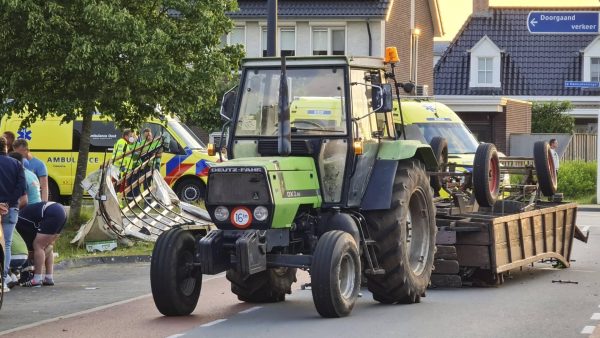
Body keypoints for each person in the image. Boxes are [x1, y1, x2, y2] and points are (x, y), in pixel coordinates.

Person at [15, 201, 67, 287]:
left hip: (52, 211)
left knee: (38, 246)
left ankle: (37, 278)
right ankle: (49, 277)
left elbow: (29, 251)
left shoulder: (18, 222)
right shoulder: (22, 216)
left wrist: (28, 260)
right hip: (60, 210)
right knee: (47, 245)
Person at [0, 136, 27, 292]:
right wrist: (8, 203)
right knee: (7, 244)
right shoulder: (16, 164)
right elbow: (21, 187)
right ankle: (3, 280)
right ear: (6, 148)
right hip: (11, 209)